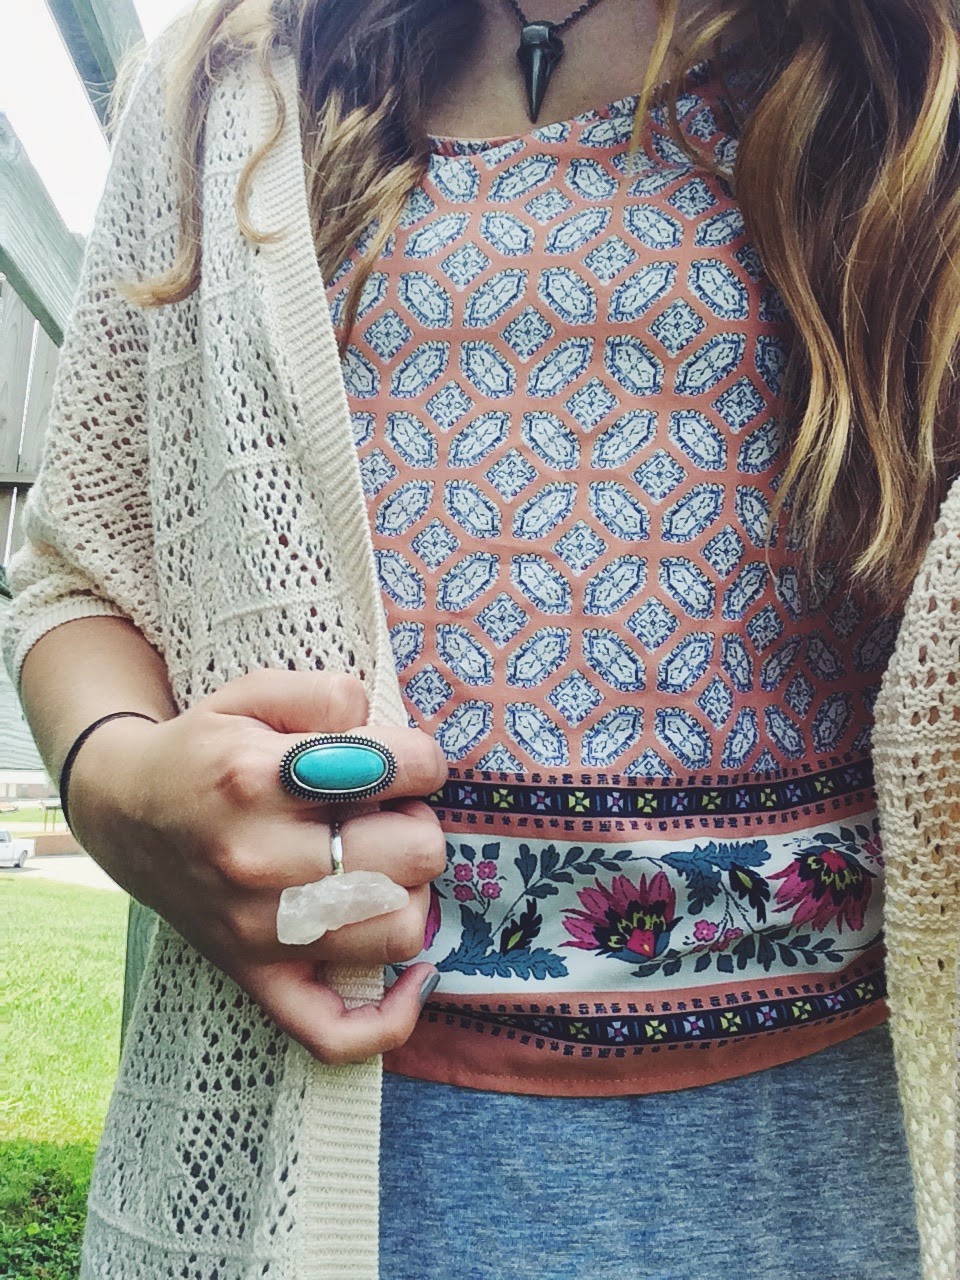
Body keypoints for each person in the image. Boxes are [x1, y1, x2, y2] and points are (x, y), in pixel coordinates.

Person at [5, 0, 958, 1275]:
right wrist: (116, 786)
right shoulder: (232, 85)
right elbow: (78, 567)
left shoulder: (911, 70)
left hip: (833, 1169)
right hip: (306, 1149)